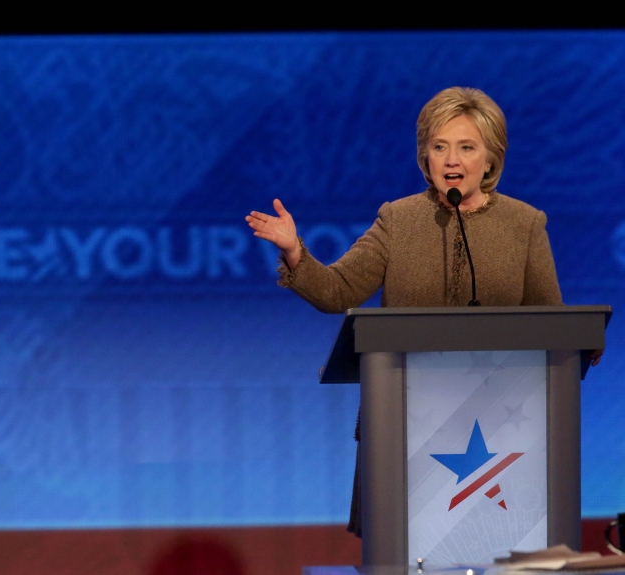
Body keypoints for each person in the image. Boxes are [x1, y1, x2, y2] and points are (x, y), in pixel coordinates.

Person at [245, 86, 587, 537]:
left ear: (490, 160)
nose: (452, 160)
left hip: (501, 438)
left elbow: (552, 325)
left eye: (467, 147)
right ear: (425, 158)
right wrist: (295, 252)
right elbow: (338, 291)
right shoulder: (398, 220)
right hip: (404, 426)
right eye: (439, 147)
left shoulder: (525, 224)